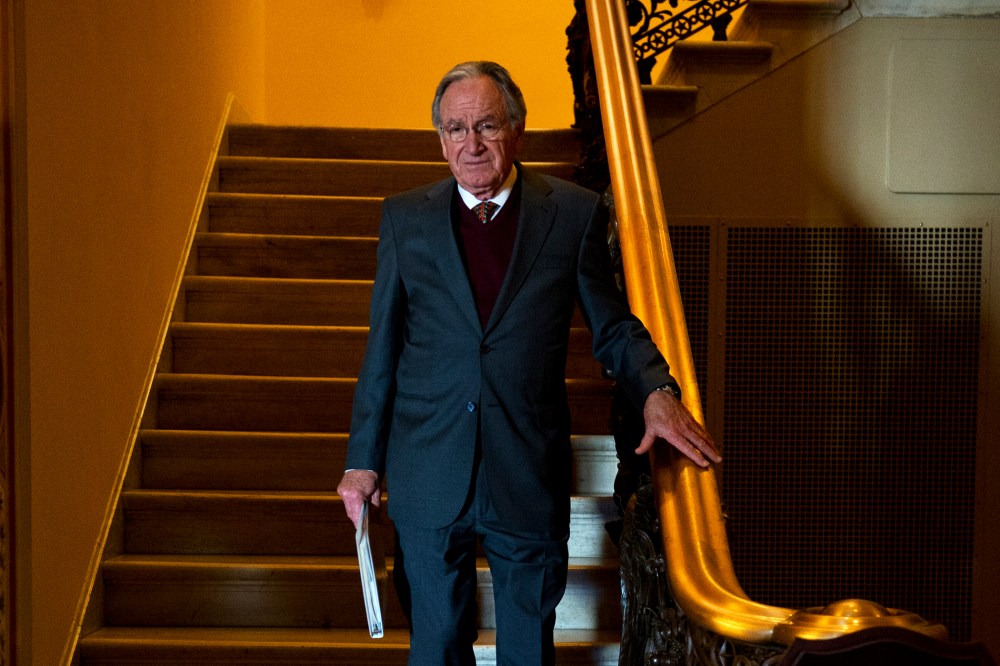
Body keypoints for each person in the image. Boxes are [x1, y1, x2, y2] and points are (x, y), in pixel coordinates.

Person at [337, 60, 720, 666]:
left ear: (516, 129)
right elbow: (381, 349)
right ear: (440, 138)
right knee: (435, 650)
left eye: (486, 125)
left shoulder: (570, 213)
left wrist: (655, 390)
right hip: (427, 466)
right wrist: (363, 461)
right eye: (456, 129)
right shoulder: (405, 218)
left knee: (527, 652)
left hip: (526, 467)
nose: (472, 144)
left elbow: (613, 324)